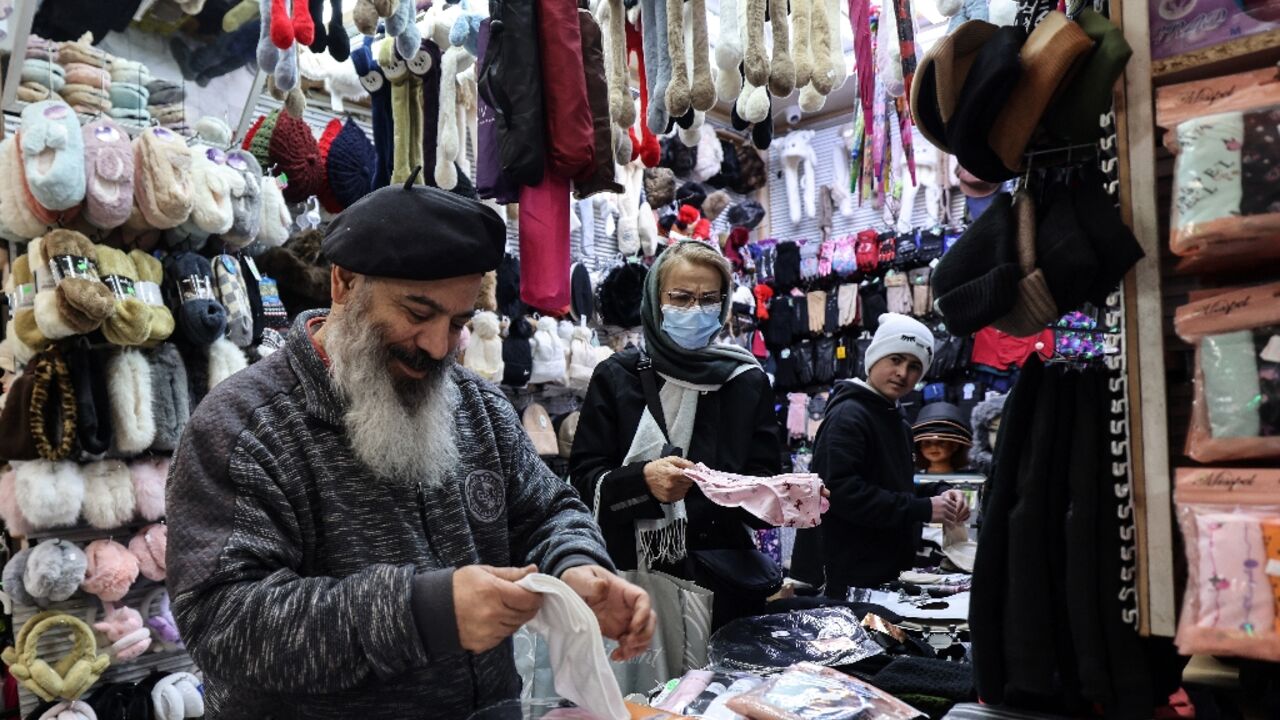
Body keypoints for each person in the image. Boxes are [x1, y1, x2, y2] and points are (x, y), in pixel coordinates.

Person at [166, 174, 655, 717]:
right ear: (344, 283)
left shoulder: (478, 407)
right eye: (418, 314)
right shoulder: (246, 426)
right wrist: (420, 613)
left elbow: (547, 511)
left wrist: (575, 564)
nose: (437, 345)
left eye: (459, 322)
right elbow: (224, 623)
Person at [570, 240, 782, 626]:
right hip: (632, 584)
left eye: (709, 299)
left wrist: (787, 499)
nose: (695, 310)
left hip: (722, 588)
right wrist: (642, 482)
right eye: (681, 297)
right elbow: (583, 483)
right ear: (655, 298)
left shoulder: (745, 381)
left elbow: (763, 486)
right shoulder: (617, 377)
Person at [811, 313, 971, 597]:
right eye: (895, 359)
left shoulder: (897, 422)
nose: (902, 373)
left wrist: (942, 491)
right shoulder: (849, 416)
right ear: (874, 359)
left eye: (914, 367)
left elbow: (894, 483)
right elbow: (839, 494)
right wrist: (921, 509)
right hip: (853, 577)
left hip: (886, 572)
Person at [913, 402, 974, 474]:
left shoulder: (971, 479)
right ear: (920, 447)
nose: (934, 447)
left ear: (955, 446)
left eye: (941, 442)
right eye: (927, 442)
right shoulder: (912, 478)